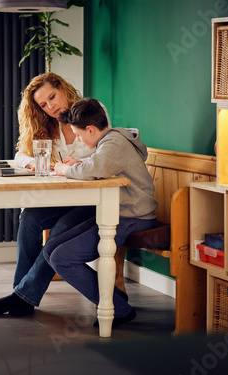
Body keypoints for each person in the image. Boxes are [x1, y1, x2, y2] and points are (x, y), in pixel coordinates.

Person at [0, 73, 110, 317]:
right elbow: (20, 155)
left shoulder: (92, 110)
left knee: (60, 229)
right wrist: (33, 163)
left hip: (94, 199)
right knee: (29, 218)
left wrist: (80, 161)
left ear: (63, 89)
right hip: (65, 198)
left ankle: (19, 297)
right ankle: (22, 295)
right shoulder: (46, 124)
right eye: (43, 104)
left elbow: (107, 152)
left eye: (52, 97)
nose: (50, 107)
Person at [43, 98, 158, 327]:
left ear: (91, 129)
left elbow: (95, 168)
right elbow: (97, 162)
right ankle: (112, 297)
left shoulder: (113, 143)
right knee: (50, 249)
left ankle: (119, 309)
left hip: (133, 217)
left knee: (61, 258)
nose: (78, 140)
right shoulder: (111, 139)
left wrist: (65, 169)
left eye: (78, 135)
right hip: (117, 214)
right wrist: (79, 162)